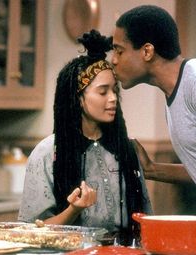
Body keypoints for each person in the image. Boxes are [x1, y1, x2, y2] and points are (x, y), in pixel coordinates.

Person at [18, 30, 152, 244]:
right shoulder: (48, 152)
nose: (113, 99)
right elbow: (30, 234)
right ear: (78, 98)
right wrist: (73, 210)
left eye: (115, 91)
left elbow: (145, 220)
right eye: (103, 92)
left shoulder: (125, 149)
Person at [111, 5, 196, 209]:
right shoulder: (175, 95)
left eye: (119, 50)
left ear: (147, 51)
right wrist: (151, 169)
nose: (113, 60)